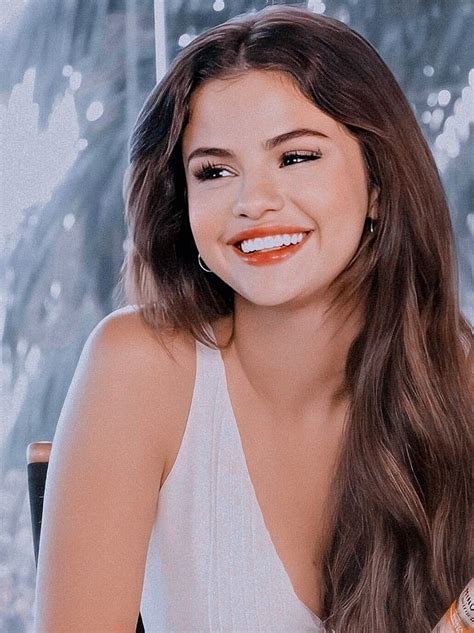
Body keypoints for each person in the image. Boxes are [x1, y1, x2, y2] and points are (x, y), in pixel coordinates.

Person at [33, 5, 472, 632]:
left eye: (295, 158)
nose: (254, 202)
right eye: (214, 171)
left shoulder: (459, 383)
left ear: (378, 185)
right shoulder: (139, 369)